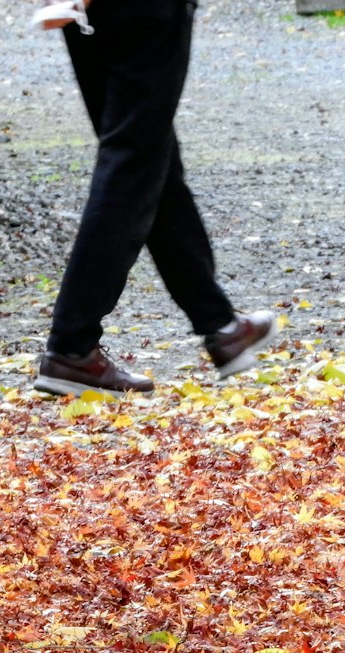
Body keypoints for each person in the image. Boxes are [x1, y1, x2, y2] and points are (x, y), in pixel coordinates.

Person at [33, 0, 276, 397]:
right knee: (132, 160)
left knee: (147, 155)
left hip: (82, 12)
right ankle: (71, 348)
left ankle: (220, 325)